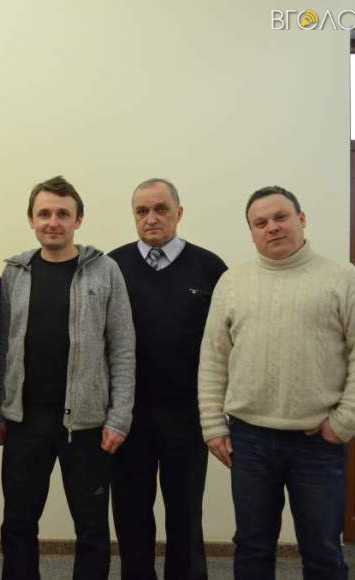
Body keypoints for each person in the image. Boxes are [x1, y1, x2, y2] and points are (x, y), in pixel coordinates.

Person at [198, 185, 355, 580]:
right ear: (252, 232)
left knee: (321, 551)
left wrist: (345, 422)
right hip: (249, 440)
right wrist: (213, 425)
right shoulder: (232, 282)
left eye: (280, 217)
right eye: (260, 223)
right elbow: (214, 359)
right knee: (252, 547)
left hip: (317, 442)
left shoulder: (343, 279)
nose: (272, 227)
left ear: (301, 219)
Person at [0, 175, 136, 580]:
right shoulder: (15, 273)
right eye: (44, 214)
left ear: (78, 219)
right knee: (18, 522)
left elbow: (123, 348)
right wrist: (1, 409)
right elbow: (3, 345)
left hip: (87, 424)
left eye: (63, 214)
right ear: (31, 220)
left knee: (91, 528)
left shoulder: (105, 270)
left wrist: (119, 417)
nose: (53, 222)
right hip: (25, 422)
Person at [109, 178, 227, 580]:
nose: (151, 218)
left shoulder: (210, 268)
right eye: (142, 211)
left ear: (179, 212)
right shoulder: (112, 266)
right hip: (128, 417)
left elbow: (225, 345)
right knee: (130, 513)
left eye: (161, 209)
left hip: (187, 416)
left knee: (186, 515)